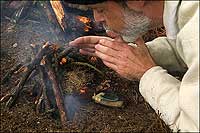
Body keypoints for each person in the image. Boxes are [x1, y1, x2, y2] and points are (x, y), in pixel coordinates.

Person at [67, 0, 199, 132]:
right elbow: (185, 48)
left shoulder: (194, 31)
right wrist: (135, 56)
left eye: (101, 9)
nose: (97, 19)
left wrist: (147, 74)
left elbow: (192, 125)